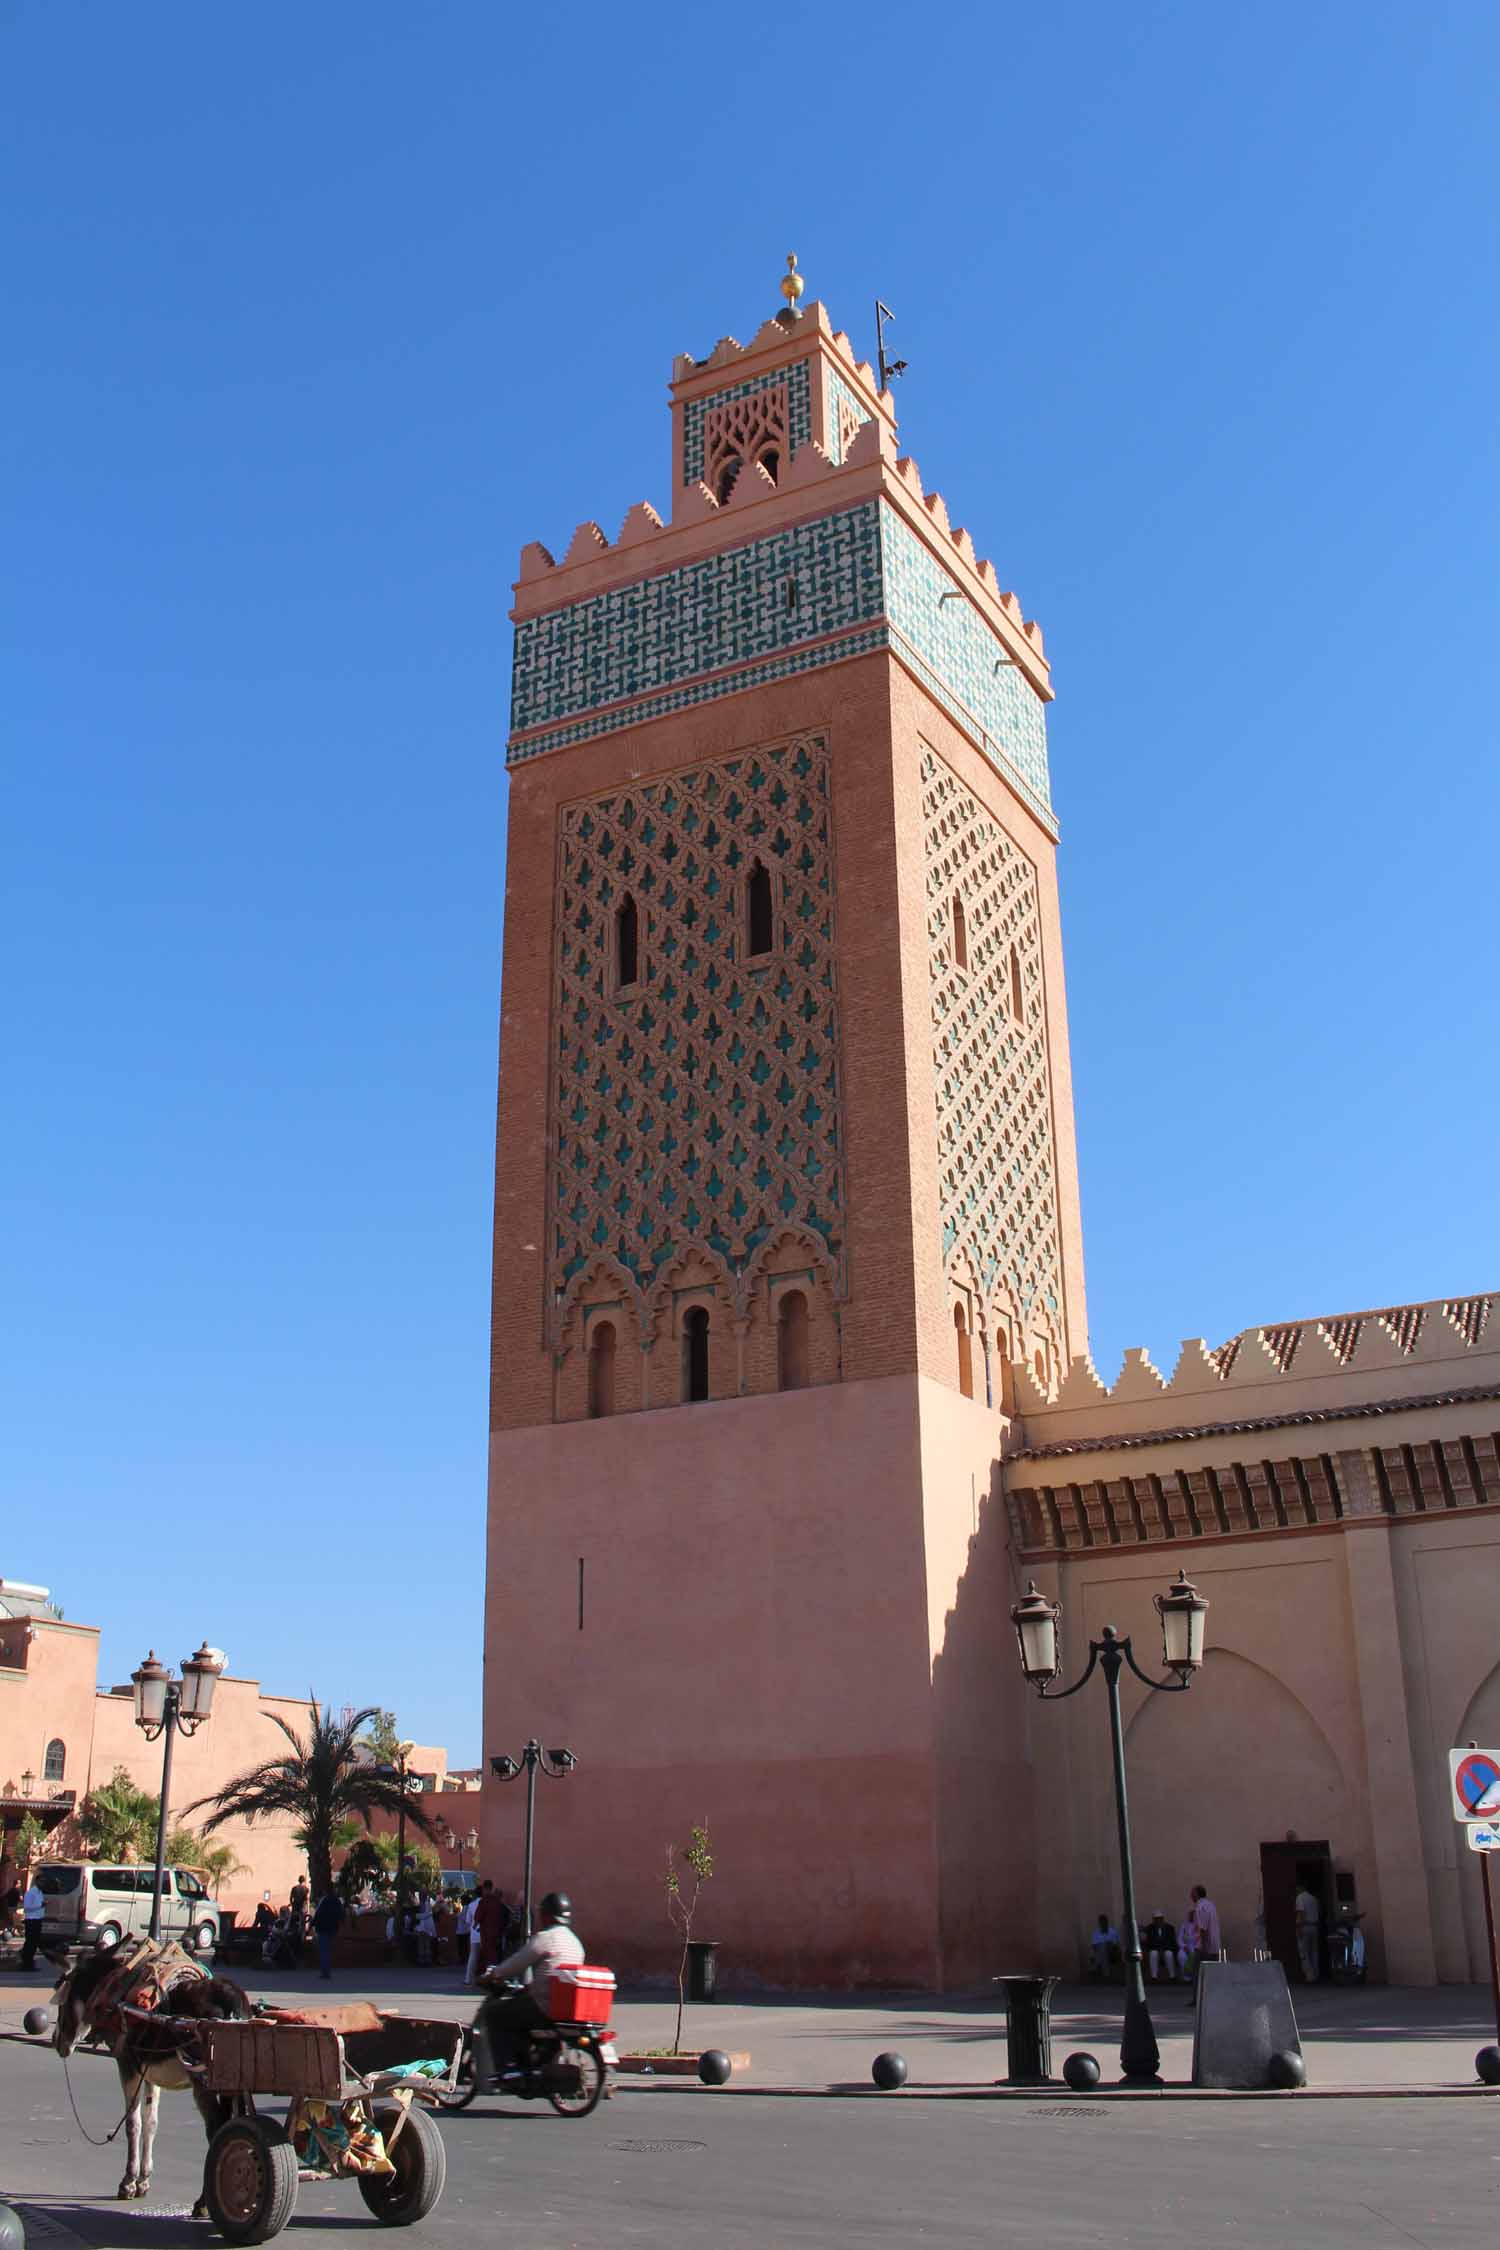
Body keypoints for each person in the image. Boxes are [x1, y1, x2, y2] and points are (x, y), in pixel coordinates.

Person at [472, 1891, 584, 2085]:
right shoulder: (575, 1942)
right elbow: (551, 1971)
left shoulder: (546, 1938)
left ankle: (508, 2071)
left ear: (547, 1915)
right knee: (519, 2012)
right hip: (564, 2008)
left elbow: (517, 1963)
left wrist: (494, 1974)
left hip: (544, 2004)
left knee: (494, 2014)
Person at [474, 1878, 511, 1973]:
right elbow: (506, 1917)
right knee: (495, 1956)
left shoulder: (484, 1901)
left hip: (486, 1935)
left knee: (486, 1956)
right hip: (497, 1934)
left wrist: (475, 1926)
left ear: (485, 1889)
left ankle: (486, 1975)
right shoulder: (499, 1903)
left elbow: (478, 1917)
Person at [311, 1887, 345, 1980]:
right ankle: (327, 1970)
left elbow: (318, 1914)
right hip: (333, 1928)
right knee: (328, 1949)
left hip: (323, 1928)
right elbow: (341, 1914)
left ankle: (325, 1971)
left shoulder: (323, 1901)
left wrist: (311, 1925)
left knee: (323, 1950)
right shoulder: (337, 1901)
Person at [1294, 1883, 1321, 1982]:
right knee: (1314, 1952)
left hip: (1305, 1927)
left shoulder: (1300, 1898)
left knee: (1304, 1953)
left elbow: (1301, 1913)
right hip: (1314, 1927)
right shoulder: (1314, 1899)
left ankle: (1310, 1976)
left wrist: (1299, 1928)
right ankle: (1316, 1974)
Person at [1190, 1885, 1221, 1968]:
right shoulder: (1211, 1905)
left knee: (1199, 1974)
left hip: (1204, 1948)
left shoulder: (1200, 1907)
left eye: (1192, 1893)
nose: (1190, 1896)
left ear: (1196, 1894)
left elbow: (1202, 1929)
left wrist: (1203, 1949)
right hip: (1214, 1946)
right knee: (1212, 1974)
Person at [1143, 1910, 1178, 1981]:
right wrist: (1158, 1949)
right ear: (1154, 1920)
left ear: (1163, 1919)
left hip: (1166, 1948)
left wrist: (1163, 1949)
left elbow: (1171, 1941)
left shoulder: (1169, 1928)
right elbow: (1149, 1942)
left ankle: (1172, 1976)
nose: (1158, 1921)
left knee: (1169, 1954)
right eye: (1156, 1919)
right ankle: (1154, 1976)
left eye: (1160, 1919)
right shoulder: (1150, 1928)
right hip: (1155, 1948)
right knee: (1153, 1954)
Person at [20, 1874, 46, 1969]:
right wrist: (40, 1905)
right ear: (37, 1881)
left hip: (38, 1920)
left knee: (35, 1943)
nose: (43, 1884)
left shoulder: (40, 1893)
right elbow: (27, 1908)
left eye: (44, 1882)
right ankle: (26, 1963)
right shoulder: (31, 1893)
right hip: (31, 1920)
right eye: (41, 1881)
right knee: (30, 1942)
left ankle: (30, 1963)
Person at [1088, 1913, 1117, 1978]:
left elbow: (1115, 1945)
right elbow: (1094, 1946)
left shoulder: (1112, 1932)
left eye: (1104, 1922)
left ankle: (1094, 1968)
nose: (1103, 1924)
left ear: (1107, 1922)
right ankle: (1106, 1974)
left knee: (1104, 1947)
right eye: (1101, 1923)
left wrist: (1107, 1945)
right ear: (1099, 1923)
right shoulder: (1095, 1933)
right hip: (1099, 1951)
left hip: (1111, 1951)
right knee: (1102, 1949)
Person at [416, 1893, 435, 1967]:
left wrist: (416, 1916)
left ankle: (423, 1960)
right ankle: (427, 1960)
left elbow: (424, 1915)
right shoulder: (428, 1904)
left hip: (423, 1927)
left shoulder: (423, 1904)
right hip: (426, 1926)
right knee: (426, 1943)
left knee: (422, 1943)